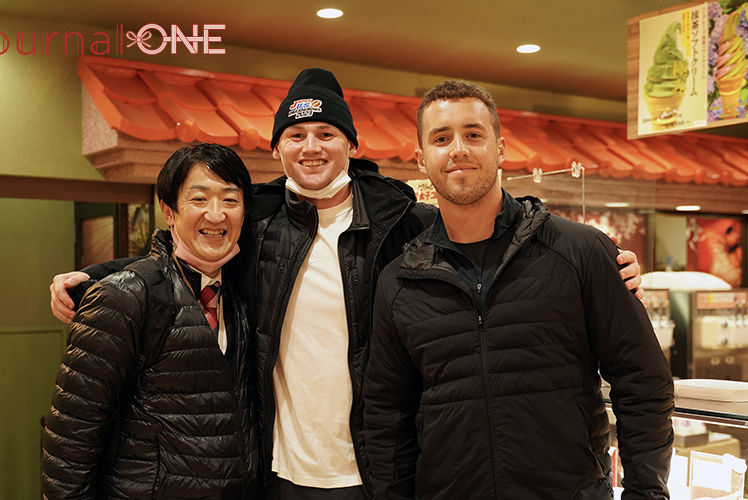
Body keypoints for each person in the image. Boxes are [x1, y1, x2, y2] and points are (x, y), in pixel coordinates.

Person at [49, 69, 645, 500]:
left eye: (327, 133)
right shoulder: (257, 223)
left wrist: (608, 265)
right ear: (278, 146)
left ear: (351, 144)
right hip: (283, 471)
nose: (312, 146)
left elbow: (487, 224)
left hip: (380, 471)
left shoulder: (402, 222)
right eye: (297, 135)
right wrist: (95, 278)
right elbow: (190, 244)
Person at [362, 81, 674, 500]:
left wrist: (646, 493)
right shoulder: (399, 282)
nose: (458, 149)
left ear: (501, 148)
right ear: (421, 159)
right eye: (441, 138)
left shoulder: (581, 251)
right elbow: (386, 417)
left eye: (473, 134)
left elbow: (642, 381)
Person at [41, 143, 258, 500]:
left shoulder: (237, 294)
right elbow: (71, 436)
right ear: (169, 212)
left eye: (230, 200)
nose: (216, 215)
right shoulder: (124, 297)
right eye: (199, 200)